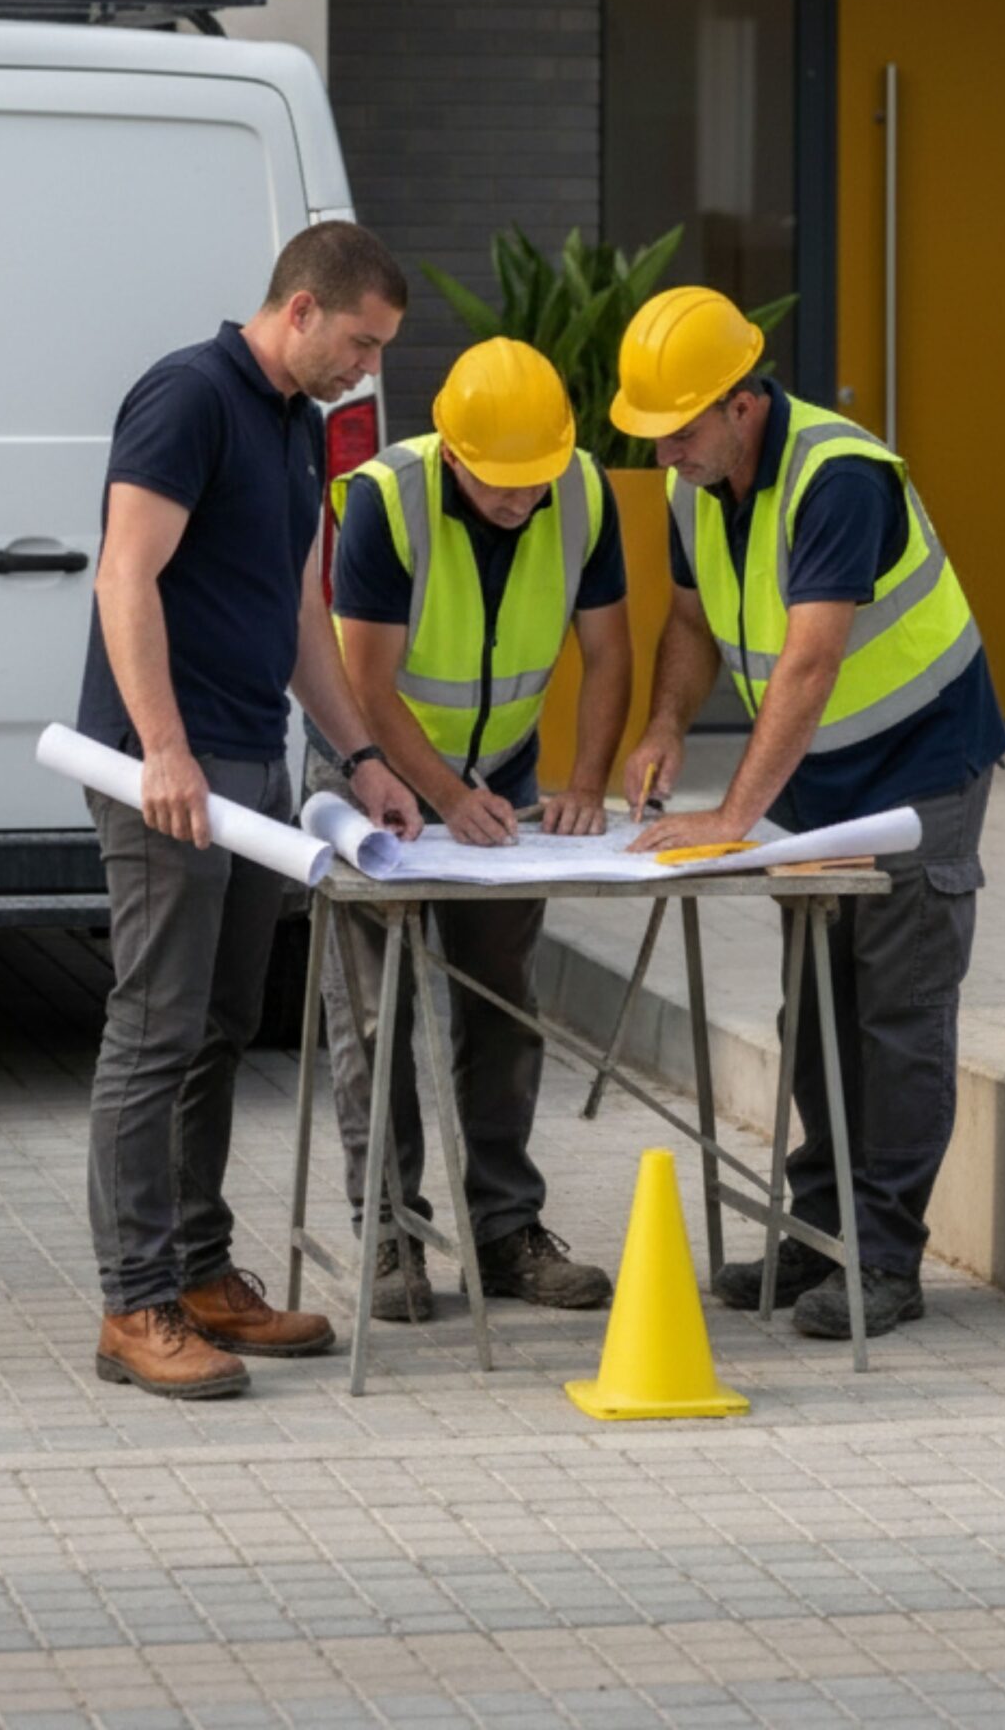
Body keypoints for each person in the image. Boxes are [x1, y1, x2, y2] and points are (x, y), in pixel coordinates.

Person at [611, 286, 1005, 1342]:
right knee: (816, 1009)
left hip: (921, 773)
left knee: (897, 1015)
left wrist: (732, 814)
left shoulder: (838, 477)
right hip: (817, 783)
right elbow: (692, 620)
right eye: (650, 438)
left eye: (679, 431)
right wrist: (661, 728)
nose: (664, 457)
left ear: (743, 402)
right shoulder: (695, 483)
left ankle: (883, 1261)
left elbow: (813, 658)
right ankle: (820, 1233)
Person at [78, 222, 423, 1400]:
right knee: (157, 1026)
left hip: (252, 765)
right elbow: (125, 573)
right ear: (301, 310)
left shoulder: (300, 423)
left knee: (224, 1024)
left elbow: (295, 614)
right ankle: (135, 1303)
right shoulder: (190, 396)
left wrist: (362, 754)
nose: (366, 370)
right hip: (167, 769)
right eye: (361, 343)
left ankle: (201, 1270)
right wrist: (162, 750)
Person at [312, 335, 629, 1320]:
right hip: (373, 779)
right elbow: (362, 683)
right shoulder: (385, 501)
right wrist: (444, 795)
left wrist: (584, 778)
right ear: (451, 452)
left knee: (503, 1004)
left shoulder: (579, 491)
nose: (523, 499)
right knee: (375, 1013)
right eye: (502, 483)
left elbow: (611, 648)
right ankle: (391, 1237)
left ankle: (504, 1234)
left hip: (505, 786)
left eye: (536, 479)